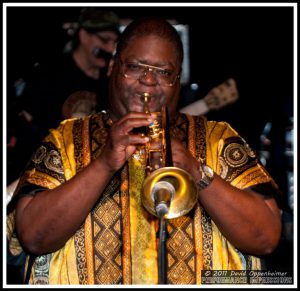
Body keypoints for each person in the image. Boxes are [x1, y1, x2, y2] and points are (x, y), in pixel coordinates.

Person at [7, 16, 283, 285]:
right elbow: (33, 236)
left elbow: (266, 239)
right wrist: (104, 164)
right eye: (136, 67)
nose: (149, 81)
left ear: (178, 79)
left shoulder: (219, 138)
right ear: (113, 66)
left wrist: (196, 171)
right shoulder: (65, 138)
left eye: (164, 72)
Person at [7, 8, 120, 186]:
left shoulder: (108, 81)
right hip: (46, 171)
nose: (110, 48)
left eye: (115, 42)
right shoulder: (50, 73)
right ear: (83, 36)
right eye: (105, 40)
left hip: (87, 172)